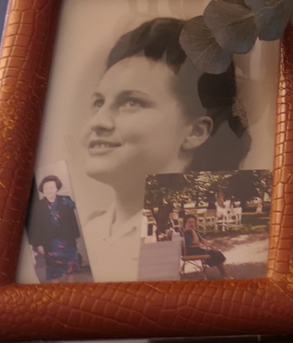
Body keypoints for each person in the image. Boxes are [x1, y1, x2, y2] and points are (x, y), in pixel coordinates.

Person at [78, 17, 248, 281]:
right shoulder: (86, 231)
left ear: (195, 131)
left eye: (131, 102)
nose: (98, 121)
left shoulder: (178, 236)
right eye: (99, 102)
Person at [25, 176, 83, 282]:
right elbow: (36, 226)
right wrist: (38, 244)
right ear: (43, 190)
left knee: (69, 268)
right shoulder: (38, 206)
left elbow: (72, 219)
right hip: (50, 243)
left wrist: (76, 236)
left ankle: (71, 291)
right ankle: (57, 295)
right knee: (53, 272)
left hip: (67, 240)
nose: (49, 190)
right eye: (46, 188)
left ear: (57, 188)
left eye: (51, 188)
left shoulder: (66, 200)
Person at [181, 214, 230, 279]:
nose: (191, 224)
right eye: (189, 222)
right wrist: (193, 232)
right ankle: (226, 275)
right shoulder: (185, 233)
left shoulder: (195, 230)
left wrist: (212, 246)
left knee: (216, 253)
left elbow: (203, 240)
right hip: (189, 251)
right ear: (185, 223)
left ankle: (224, 274)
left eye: (193, 222)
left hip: (196, 250)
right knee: (214, 254)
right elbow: (196, 243)